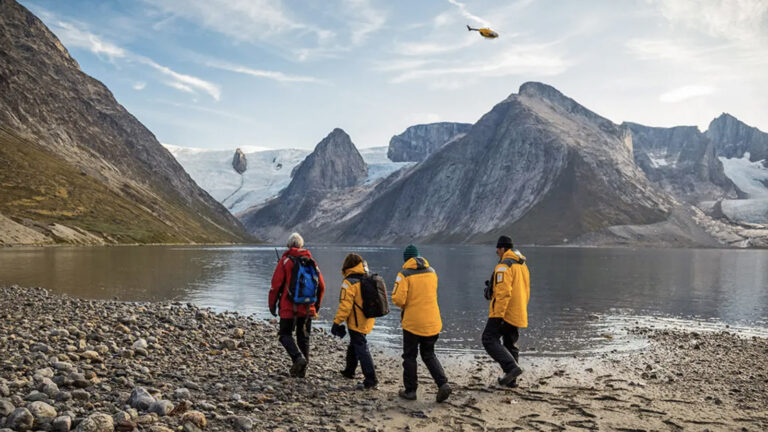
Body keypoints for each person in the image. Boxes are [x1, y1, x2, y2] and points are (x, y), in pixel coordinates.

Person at [391, 245, 452, 402]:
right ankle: (442, 383)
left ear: (406, 259)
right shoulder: (432, 272)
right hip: (432, 321)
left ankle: (410, 391)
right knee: (429, 354)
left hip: (412, 323)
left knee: (410, 356)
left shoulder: (403, 275)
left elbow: (398, 299)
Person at [269, 232, 326, 378]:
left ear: (289, 245)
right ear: (301, 245)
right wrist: (316, 306)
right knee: (304, 337)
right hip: (308, 307)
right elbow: (321, 286)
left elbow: (275, 286)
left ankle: (297, 358)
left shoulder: (285, 261)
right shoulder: (311, 261)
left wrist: (272, 305)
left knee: (284, 335)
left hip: (289, 307)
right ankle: (302, 372)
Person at [482, 235, 530, 388]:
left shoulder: (504, 266)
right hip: (518, 309)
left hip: (505, 311)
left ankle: (511, 367)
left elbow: (503, 293)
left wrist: (497, 315)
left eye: (498, 249)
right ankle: (512, 381)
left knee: (489, 339)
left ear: (503, 248)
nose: (496, 251)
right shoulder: (522, 265)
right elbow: (525, 289)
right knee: (510, 343)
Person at [330, 254, 378, 390]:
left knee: (361, 347)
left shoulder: (349, 282)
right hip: (368, 318)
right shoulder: (367, 278)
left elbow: (345, 306)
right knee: (354, 344)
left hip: (356, 321)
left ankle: (371, 378)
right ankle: (349, 370)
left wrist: (336, 322)